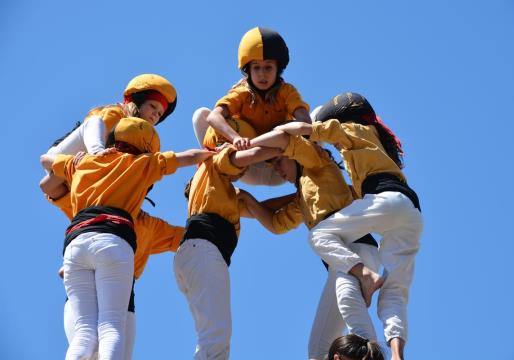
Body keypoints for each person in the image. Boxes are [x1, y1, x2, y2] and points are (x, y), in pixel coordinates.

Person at [41, 117, 213, 360]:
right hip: (113, 241)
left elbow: (45, 160)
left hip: (76, 244)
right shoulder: (142, 165)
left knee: (83, 333)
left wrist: (78, 157)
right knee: (111, 327)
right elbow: (189, 157)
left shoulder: (84, 163)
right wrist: (216, 153)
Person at [271, 92, 423, 360]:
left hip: (387, 201)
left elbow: (306, 130)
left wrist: (277, 131)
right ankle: (397, 355)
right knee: (395, 291)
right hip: (410, 212)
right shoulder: (371, 139)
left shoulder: (352, 129)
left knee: (320, 234)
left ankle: (364, 280)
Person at [236, 130, 381, 359]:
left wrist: (245, 144)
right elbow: (275, 223)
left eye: (278, 161)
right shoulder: (301, 198)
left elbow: (286, 139)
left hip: (356, 246)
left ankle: (371, 354)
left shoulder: (317, 162)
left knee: (347, 299)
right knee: (317, 351)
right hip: (340, 260)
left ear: (292, 154)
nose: (277, 170)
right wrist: (244, 198)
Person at [173, 119, 282, 359]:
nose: (245, 172)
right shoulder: (217, 160)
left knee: (214, 337)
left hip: (196, 254)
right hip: (204, 251)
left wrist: (300, 197)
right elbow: (242, 157)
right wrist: (283, 147)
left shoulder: (219, 188)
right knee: (216, 338)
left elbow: (261, 208)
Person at [192, 26, 311, 185]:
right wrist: (236, 139)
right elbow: (214, 116)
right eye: (256, 68)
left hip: (278, 166)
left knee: (316, 120)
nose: (262, 74)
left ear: (278, 69)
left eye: (268, 67)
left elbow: (305, 119)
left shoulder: (287, 91)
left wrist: (300, 131)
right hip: (247, 163)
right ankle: (216, 169)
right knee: (201, 115)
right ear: (248, 70)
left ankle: (311, 182)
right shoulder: (242, 92)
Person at [40, 73, 177, 209]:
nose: (155, 114)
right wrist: (97, 155)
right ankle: (97, 153)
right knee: (95, 122)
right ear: (138, 101)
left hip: (81, 179)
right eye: (153, 106)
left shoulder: (145, 139)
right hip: (62, 156)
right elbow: (92, 131)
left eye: (159, 113)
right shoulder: (117, 114)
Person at [62, 209, 184, 360]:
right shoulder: (148, 224)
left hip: (79, 280)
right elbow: (187, 238)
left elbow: (50, 188)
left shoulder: (88, 198)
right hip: (121, 296)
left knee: (84, 336)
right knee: (111, 331)